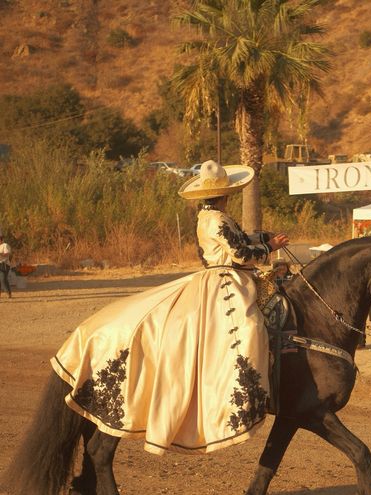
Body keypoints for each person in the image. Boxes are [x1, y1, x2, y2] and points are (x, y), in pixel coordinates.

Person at [51, 160, 289, 455]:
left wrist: (265, 238)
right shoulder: (215, 220)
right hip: (226, 281)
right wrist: (270, 248)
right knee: (248, 326)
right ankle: (244, 389)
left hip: (231, 276)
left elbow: (239, 240)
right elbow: (240, 253)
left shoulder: (214, 216)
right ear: (225, 195)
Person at [0, 234, 12, 299]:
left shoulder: (5, 245)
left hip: (4, 264)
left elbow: (7, 254)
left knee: (3, 279)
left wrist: (0, 254)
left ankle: (8, 293)